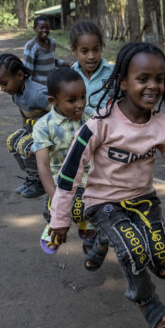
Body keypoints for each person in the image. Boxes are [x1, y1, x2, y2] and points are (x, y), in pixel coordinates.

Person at [48, 42, 165, 328]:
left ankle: (105, 240)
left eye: (160, 78)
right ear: (123, 82)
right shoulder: (99, 124)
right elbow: (70, 173)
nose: (152, 86)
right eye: (143, 79)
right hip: (103, 202)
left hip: (143, 200)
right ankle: (146, 301)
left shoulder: (164, 125)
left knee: (160, 254)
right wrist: (60, 219)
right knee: (133, 250)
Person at [32, 68, 94, 254]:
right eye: (72, 100)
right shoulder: (44, 126)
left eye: (83, 97)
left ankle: (85, 222)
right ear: (53, 102)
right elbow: (43, 165)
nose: (80, 104)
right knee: (52, 211)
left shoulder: (92, 118)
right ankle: (53, 226)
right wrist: (56, 199)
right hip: (60, 182)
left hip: (89, 179)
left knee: (90, 209)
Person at [0, 53, 48, 198]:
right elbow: (24, 116)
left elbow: (59, 112)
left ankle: (41, 181)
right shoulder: (16, 94)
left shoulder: (37, 94)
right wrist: (23, 130)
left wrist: (39, 141)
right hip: (34, 126)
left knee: (24, 144)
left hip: (48, 129)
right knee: (12, 141)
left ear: (20, 75)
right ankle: (32, 177)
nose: (2, 89)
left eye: (4, 83)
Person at [68, 21, 114, 113]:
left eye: (96, 50)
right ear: (74, 50)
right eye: (84, 52)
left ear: (102, 48)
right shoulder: (70, 76)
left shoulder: (113, 73)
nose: (91, 56)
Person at [23, 15, 70, 87]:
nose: (44, 30)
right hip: (38, 87)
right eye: (41, 28)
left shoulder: (52, 42)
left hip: (52, 84)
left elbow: (51, 61)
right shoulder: (31, 46)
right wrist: (28, 89)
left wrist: (68, 64)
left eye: (47, 28)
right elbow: (27, 71)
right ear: (34, 29)